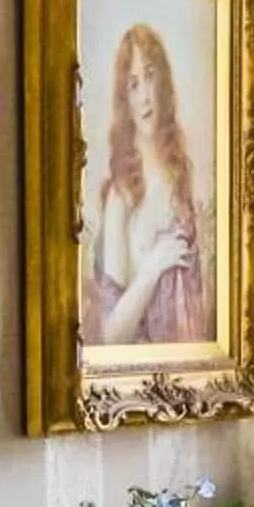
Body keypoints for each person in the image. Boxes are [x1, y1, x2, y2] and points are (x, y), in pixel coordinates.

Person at [85, 23, 212, 346]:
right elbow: (111, 335)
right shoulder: (122, 193)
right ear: (124, 99)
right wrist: (153, 267)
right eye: (133, 84)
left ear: (164, 82)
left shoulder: (180, 173)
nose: (144, 96)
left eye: (150, 76)